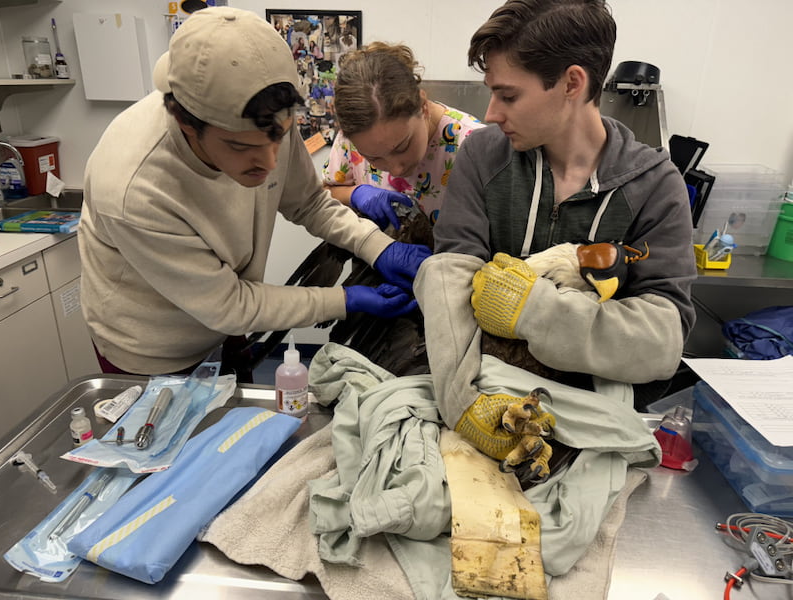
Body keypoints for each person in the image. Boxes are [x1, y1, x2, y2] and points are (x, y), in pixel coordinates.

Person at [416, 0, 697, 466]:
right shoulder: (483, 157)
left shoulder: (656, 185)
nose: (490, 114)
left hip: (593, 418)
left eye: (508, 96)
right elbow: (449, 282)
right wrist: (461, 403)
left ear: (572, 83)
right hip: (480, 398)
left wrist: (536, 312)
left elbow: (662, 343)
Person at [78, 7, 430, 378]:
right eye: (240, 148)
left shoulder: (264, 118)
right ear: (186, 122)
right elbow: (229, 303)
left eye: (278, 137)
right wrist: (344, 299)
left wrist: (377, 246)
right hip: (152, 348)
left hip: (226, 323)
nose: (268, 163)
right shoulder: (133, 186)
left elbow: (309, 202)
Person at [322, 42, 485, 229]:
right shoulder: (350, 138)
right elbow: (325, 194)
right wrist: (354, 194)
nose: (396, 170)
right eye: (373, 158)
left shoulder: (473, 145)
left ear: (423, 106)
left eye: (402, 148)